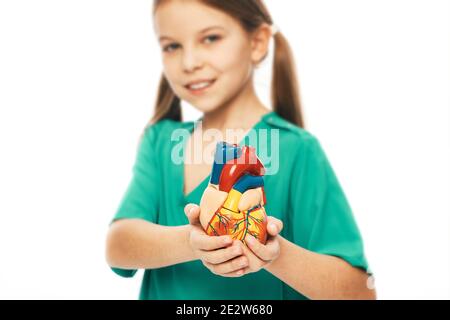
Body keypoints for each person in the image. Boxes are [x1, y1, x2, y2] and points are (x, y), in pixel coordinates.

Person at [105, 0, 376, 300]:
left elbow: (359, 293)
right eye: (172, 46)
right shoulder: (160, 142)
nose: (189, 62)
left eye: (210, 38)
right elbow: (118, 245)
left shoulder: (297, 150)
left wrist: (275, 253)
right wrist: (192, 241)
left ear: (257, 42)